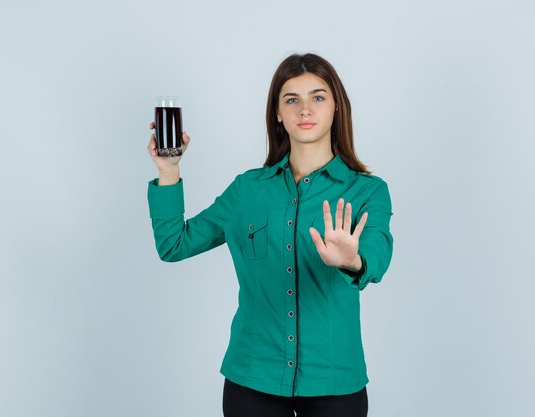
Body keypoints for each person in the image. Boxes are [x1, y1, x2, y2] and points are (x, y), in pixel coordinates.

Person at [146, 53, 394, 417]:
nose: (304, 109)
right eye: (291, 100)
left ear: (337, 107)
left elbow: (378, 254)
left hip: (335, 382)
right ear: (278, 113)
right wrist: (168, 170)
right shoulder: (248, 190)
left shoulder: (368, 191)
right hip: (252, 380)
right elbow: (174, 244)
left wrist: (352, 260)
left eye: (318, 97)